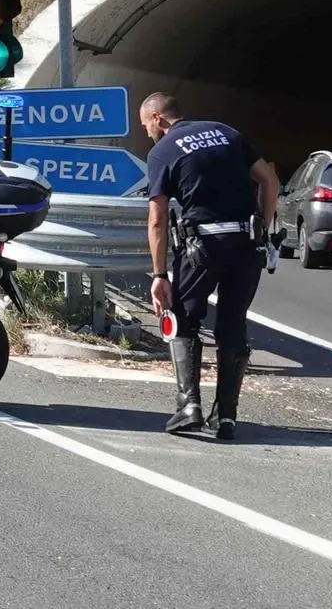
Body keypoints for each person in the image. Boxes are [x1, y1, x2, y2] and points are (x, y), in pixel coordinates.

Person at [140, 92, 279, 440]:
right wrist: (261, 227)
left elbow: (157, 219)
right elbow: (269, 180)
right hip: (246, 245)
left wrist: (159, 276)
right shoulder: (226, 132)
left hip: (200, 249)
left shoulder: (163, 150)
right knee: (233, 325)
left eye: (146, 126)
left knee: (183, 322)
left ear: (157, 118)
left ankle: (189, 407)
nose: (147, 134)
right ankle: (227, 417)